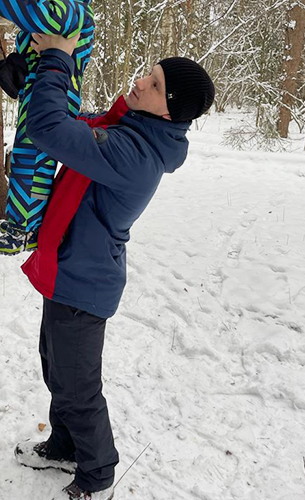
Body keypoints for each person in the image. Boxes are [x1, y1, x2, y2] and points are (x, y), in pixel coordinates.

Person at [13, 33, 215, 500]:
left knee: (79, 389)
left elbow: (50, 131)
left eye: (157, 85)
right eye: (151, 72)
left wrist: (58, 60)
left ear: (170, 111)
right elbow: (72, 124)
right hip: (72, 272)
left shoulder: (134, 154)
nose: (142, 82)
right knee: (57, 369)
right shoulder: (130, 130)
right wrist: (32, 82)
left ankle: (98, 476)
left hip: (85, 284)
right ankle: (64, 445)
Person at [0, 0, 95, 255]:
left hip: (56, 99)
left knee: (33, 159)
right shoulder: (63, 14)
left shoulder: (73, 12)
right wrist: (17, 66)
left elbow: (34, 14)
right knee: (27, 160)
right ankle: (22, 225)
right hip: (40, 93)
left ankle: (24, 229)